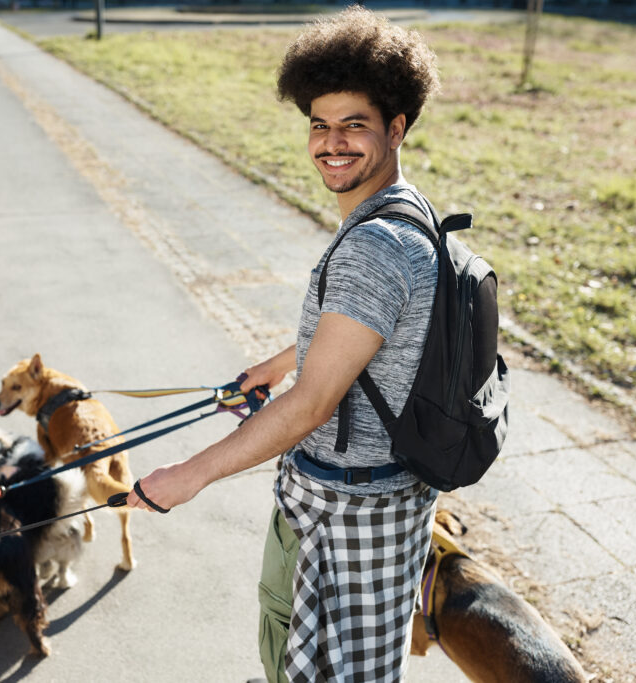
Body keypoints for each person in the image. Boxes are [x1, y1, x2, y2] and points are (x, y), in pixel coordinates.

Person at [126, 7, 442, 682]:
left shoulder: (375, 248)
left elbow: (313, 403)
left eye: (354, 124)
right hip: (388, 495)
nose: (332, 142)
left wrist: (187, 476)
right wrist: (269, 366)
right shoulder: (408, 211)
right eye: (319, 125)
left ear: (396, 127)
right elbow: (352, 343)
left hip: (348, 509)